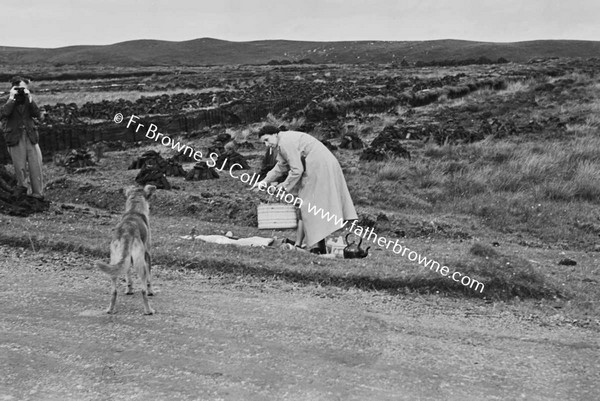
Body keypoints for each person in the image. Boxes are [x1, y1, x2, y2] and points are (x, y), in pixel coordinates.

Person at [255, 125, 358, 254]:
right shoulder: (282, 143)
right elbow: (281, 166)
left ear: (275, 134)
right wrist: (264, 181)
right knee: (309, 203)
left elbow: (297, 170)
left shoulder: (285, 142)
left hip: (319, 165)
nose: (266, 144)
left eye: (266, 140)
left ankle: (314, 245)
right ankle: (316, 245)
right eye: (263, 142)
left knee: (308, 203)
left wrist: (284, 187)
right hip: (320, 164)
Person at [0, 76, 44, 198]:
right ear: (13, 87)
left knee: (36, 164)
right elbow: (4, 113)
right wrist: (11, 98)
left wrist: (30, 99)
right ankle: (23, 191)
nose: (22, 91)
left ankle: (38, 193)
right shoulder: (6, 100)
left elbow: (37, 114)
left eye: (24, 88)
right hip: (15, 136)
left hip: (31, 135)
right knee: (20, 167)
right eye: (19, 88)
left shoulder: (28, 100)